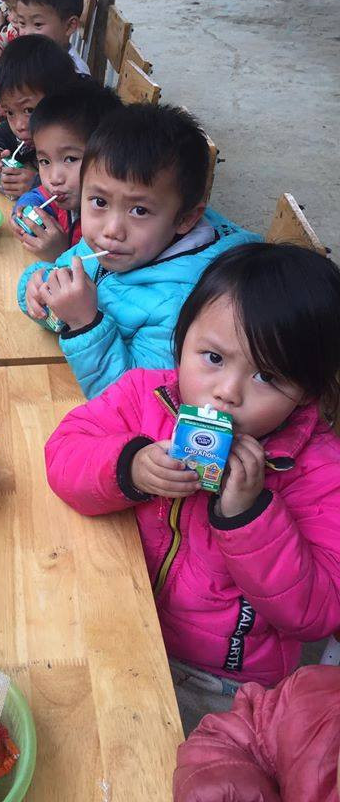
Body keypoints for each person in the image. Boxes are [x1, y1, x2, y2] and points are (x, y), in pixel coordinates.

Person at [46, 243, 340, 732]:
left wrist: (250, 516)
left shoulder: (319, 471)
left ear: (306, 391)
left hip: (221, 678)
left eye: (267, 376)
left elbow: (317, 613)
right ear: (181, 342)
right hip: (117, 618)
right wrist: (130, 467)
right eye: (213, 357)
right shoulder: (143, 395)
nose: (227, 391)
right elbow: (63, 452)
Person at [18, 103, 258, 398]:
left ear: (185, 218)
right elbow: (59, 273)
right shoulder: (110, 247)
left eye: (139, 210)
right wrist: (38, 285)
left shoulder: (188, 304)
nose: (112, 229)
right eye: (100, 202)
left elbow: (136, 397)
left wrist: (84, 323)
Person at [173, 664, 340, 800]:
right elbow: (244, 734)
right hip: (222, 667)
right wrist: (220, 788)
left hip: (241, 672)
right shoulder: (316, 699)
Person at [10, 79, 121, 262]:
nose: (54, 178)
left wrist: (60, 255)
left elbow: (99, 273)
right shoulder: (66, 195)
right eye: (45, 161)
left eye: (70, 159)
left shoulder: (111, 226)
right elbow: (37, 196)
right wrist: (23, 211)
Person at [0, 36, 77, 200]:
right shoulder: (27, 133)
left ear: (60, 100)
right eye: (10, 112)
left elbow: (86, 191)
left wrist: (38, 186)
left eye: (29, 110)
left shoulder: (76, 144)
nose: (19, 125)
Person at [16, 0, 89, 73]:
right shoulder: (37, 57)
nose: (26, 33)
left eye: (37, 24)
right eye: (22, 23)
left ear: (69, 26)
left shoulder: (74, 74)